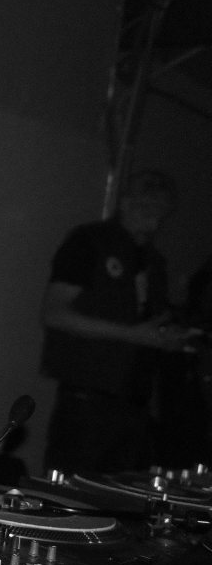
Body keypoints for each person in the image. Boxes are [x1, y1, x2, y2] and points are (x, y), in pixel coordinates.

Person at [40, 169, 196, 475]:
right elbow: (54, 313)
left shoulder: (154, 262)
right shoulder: (89, 242)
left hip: (135, 403)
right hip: (88, 400)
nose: (153, 213)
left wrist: (168, 337)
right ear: (124, 202)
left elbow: (147, 325)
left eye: (161, 206)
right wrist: (132, 335)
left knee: (120, 494)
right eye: (145, 203)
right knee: (70, 491)